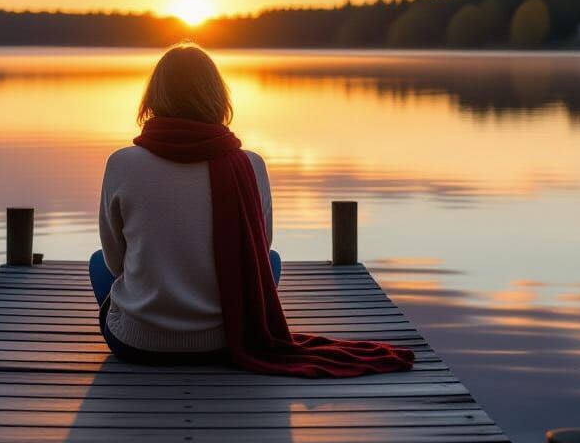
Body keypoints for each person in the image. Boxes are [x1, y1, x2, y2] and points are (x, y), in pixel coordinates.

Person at [90, 43, 415, 377]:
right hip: (229, 339)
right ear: (216, 97)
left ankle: (152, 324)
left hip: (138, 346)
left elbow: (116, 262)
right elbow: (259, 249)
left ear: (154, 96)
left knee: (98, 263)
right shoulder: (251, 165)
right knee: (271, 261)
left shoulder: (122, 164)